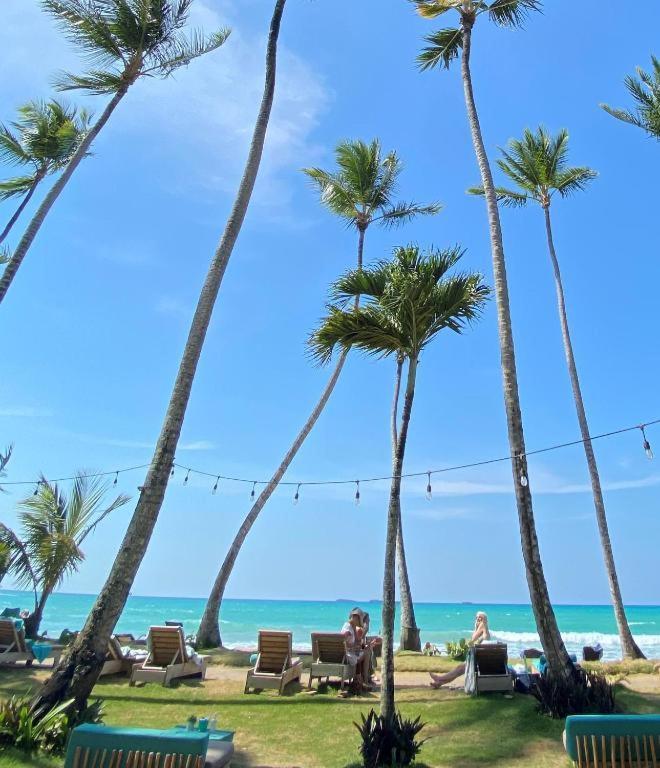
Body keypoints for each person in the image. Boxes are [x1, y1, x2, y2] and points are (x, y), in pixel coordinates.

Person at [429, 611, 491, 688]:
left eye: (480, 617)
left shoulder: (482, 625)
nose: (478, 619)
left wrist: (475, 627)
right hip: (483, 661)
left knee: (460, 668)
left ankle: (439, 678)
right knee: (460, 668)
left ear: (484, 619)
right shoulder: (485, 627)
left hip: (480, 663)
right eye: (477, 617)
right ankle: (439, 682)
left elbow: (472, 639)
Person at [340, 608, 376, 691]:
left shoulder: (351, 627)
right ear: (355, 617)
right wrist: (355, 646)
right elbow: (343, 640)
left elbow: (358, 642)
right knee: (367, 653)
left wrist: (365, 646)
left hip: (350, 653)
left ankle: (363, 680)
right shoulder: (348, 628)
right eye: (360, 620)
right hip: (348, 655)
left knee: (367, 650)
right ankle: (365, 681)